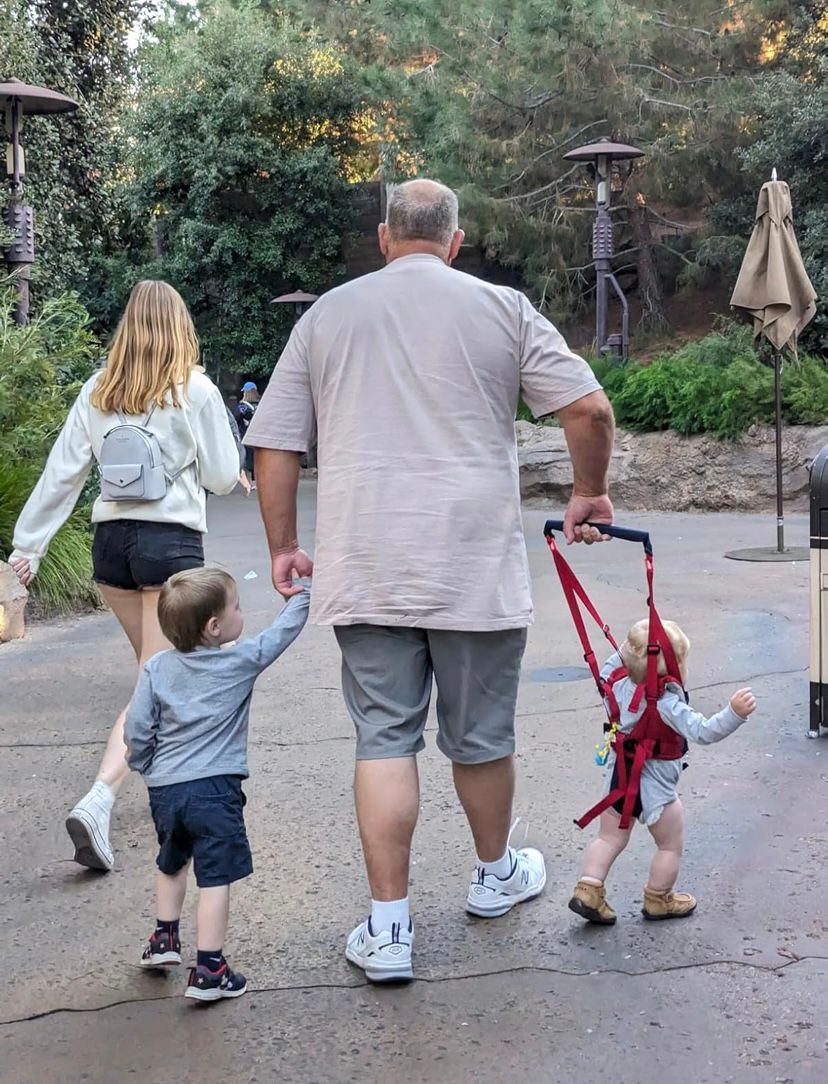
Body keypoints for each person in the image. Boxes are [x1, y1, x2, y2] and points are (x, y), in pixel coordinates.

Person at [244, 178, 616, 982]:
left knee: (384, 738)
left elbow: (275, 443)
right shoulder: (503, 309)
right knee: (481, 738)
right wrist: (588, 492)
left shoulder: (326, 316)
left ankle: (388, 931)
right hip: (473, 568)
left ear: (384, 239)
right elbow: (589, 411)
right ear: (455, 242)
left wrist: (284, 545)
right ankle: (493, 876)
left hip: (366, 564)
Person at [8, 280, 240, 873]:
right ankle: (101, 796)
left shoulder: (98, 389)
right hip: (171, 548)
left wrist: (28, 545)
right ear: (180, 328)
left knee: (157, 673)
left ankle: (163, 773)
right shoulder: (195, 389)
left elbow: (63, 473)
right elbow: (221, 476)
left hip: (112, 548)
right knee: (153, 681)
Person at [124, 567, 310, 1001]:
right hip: (214, 791)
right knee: (214, 877)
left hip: (166, 790)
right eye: (237, 608)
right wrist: (303, 594)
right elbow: (281, 633)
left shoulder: (156, 667)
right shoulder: (239, 661)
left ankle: (164, 939)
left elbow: (137, 727)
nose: (242, 613)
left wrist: (145, 763)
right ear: (213, 626)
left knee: (171, 860)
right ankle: (209, 970)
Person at [569, 619, 757, 925]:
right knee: (669, 846)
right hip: (657, 793)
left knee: (608, 839)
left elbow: (612, 663)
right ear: (674, 668)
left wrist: (633, 647)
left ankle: (588, 889)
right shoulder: (668, 705)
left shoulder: (615, 685)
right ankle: (659, 899)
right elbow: (704, 731)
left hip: (619, 783)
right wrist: (733, 713)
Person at [235, 381, 259, 488]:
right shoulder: (261, 403)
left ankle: (248, 481)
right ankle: (256, 481)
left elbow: (237, 418)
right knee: (257, 458)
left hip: (245, 434)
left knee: (246, 458)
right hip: (258, 434)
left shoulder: (243, 406)